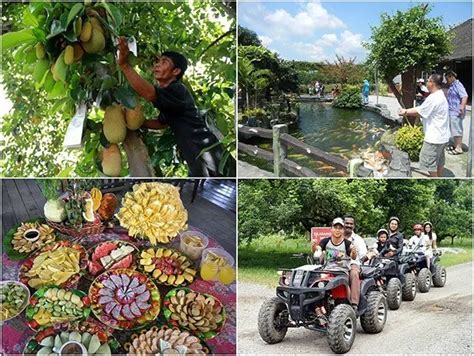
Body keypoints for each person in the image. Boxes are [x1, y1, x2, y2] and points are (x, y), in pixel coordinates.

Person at [116, 37, 235, 177]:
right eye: (158, 62)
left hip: (209, 153)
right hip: (195, 156)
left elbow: (149, 94)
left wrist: (124, 65)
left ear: (176, 71)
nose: (157, 65)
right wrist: (132, 123)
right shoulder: (170, 99)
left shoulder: (178, 90)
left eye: (164, 62)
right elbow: (162, 123)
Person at [398, 74, 450, 177]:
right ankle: (439, 177)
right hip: (443, 136)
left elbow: (420, 110)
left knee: (427, 162)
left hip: (434, 138)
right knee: (438, 161)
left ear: (432, 83)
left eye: (428, 81)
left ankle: (435, 180)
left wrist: (405, 111)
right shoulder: (441, 95)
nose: (426, 83)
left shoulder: (434, 98)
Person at [312, 217, 359, 312]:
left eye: (340, 228)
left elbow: (353, 256)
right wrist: (314, 247)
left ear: (343, 230)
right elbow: (318, 250)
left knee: (341, 287)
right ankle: (318, 308)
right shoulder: (325, 241)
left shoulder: (347, 243)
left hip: (341, 272)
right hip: (327, 270)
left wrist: (354, 251)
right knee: (315, 283)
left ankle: (349, 305)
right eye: (335, 227)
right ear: (331, 229)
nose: (337, 230)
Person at [445, 70, 468, 155]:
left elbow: (464, 96)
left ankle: (459, 148)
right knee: (454, 129)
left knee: (457, 129)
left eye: (447, 78)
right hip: (452, 111)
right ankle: (456, 145)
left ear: (451, 76)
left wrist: (462, 106)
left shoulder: (458, 85)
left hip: (456, 111)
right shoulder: (452, 85)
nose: (446, 80)